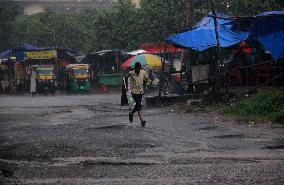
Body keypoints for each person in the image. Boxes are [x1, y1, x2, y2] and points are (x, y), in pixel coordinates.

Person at [128, 62, 148, 127]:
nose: (138, 70)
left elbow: (146, 79)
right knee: (139, 105)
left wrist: (145, 81)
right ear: (135, 67)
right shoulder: (131, 73)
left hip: (140, 91)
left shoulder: (143, 72)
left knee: (138, 105)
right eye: (137, 68)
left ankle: (131, 113)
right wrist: (126, 87)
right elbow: (126, 79)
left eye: (139, 68)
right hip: (134, 92)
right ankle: (142, 120)